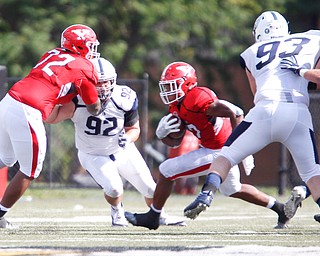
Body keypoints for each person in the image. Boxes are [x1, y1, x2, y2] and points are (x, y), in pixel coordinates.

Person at [124, 61, 297, 230]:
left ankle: (153, 216)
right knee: (233, 189)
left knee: (166, 170)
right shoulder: (177, 106)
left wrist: (241, 149)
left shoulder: (196, 98)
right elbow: (176, 140)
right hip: (214, 149)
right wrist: (163, 135)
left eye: (172, 85)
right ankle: (281, 209)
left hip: (219, 150)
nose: (168, 91)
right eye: (166, 86)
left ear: (188, 83)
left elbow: (236, 112)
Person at [184, 10, 320, 225]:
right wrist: (303, 73)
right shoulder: (312, 38)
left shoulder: (251, 52)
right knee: (313, 172)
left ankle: (206, 194)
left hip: (264, 109)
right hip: (297, 111)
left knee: (225, 157)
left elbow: (256, 93)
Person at [46, 57, 186, 227]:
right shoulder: (77, 99)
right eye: (98, 82)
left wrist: (126, 139)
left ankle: (159, 215)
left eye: (107, 82)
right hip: (92, 153)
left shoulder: (124, 97)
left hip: (122, 150)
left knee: (150, 189)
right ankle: (116, 210)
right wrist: (56, 99)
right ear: (89, 82)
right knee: (114, 188)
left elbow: (134, 130)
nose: (103, 87)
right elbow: (52, 119)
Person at [0, 24, 102, 229]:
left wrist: (71, 95)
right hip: (27, 110)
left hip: (8, 100)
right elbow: (93, 106)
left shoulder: (53, 53)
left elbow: (53, 86)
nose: (93, 50)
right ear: (81, 46)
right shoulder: (83, 65)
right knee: (30, 169)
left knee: (5, 158)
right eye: (90, 46)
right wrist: (98, 106)